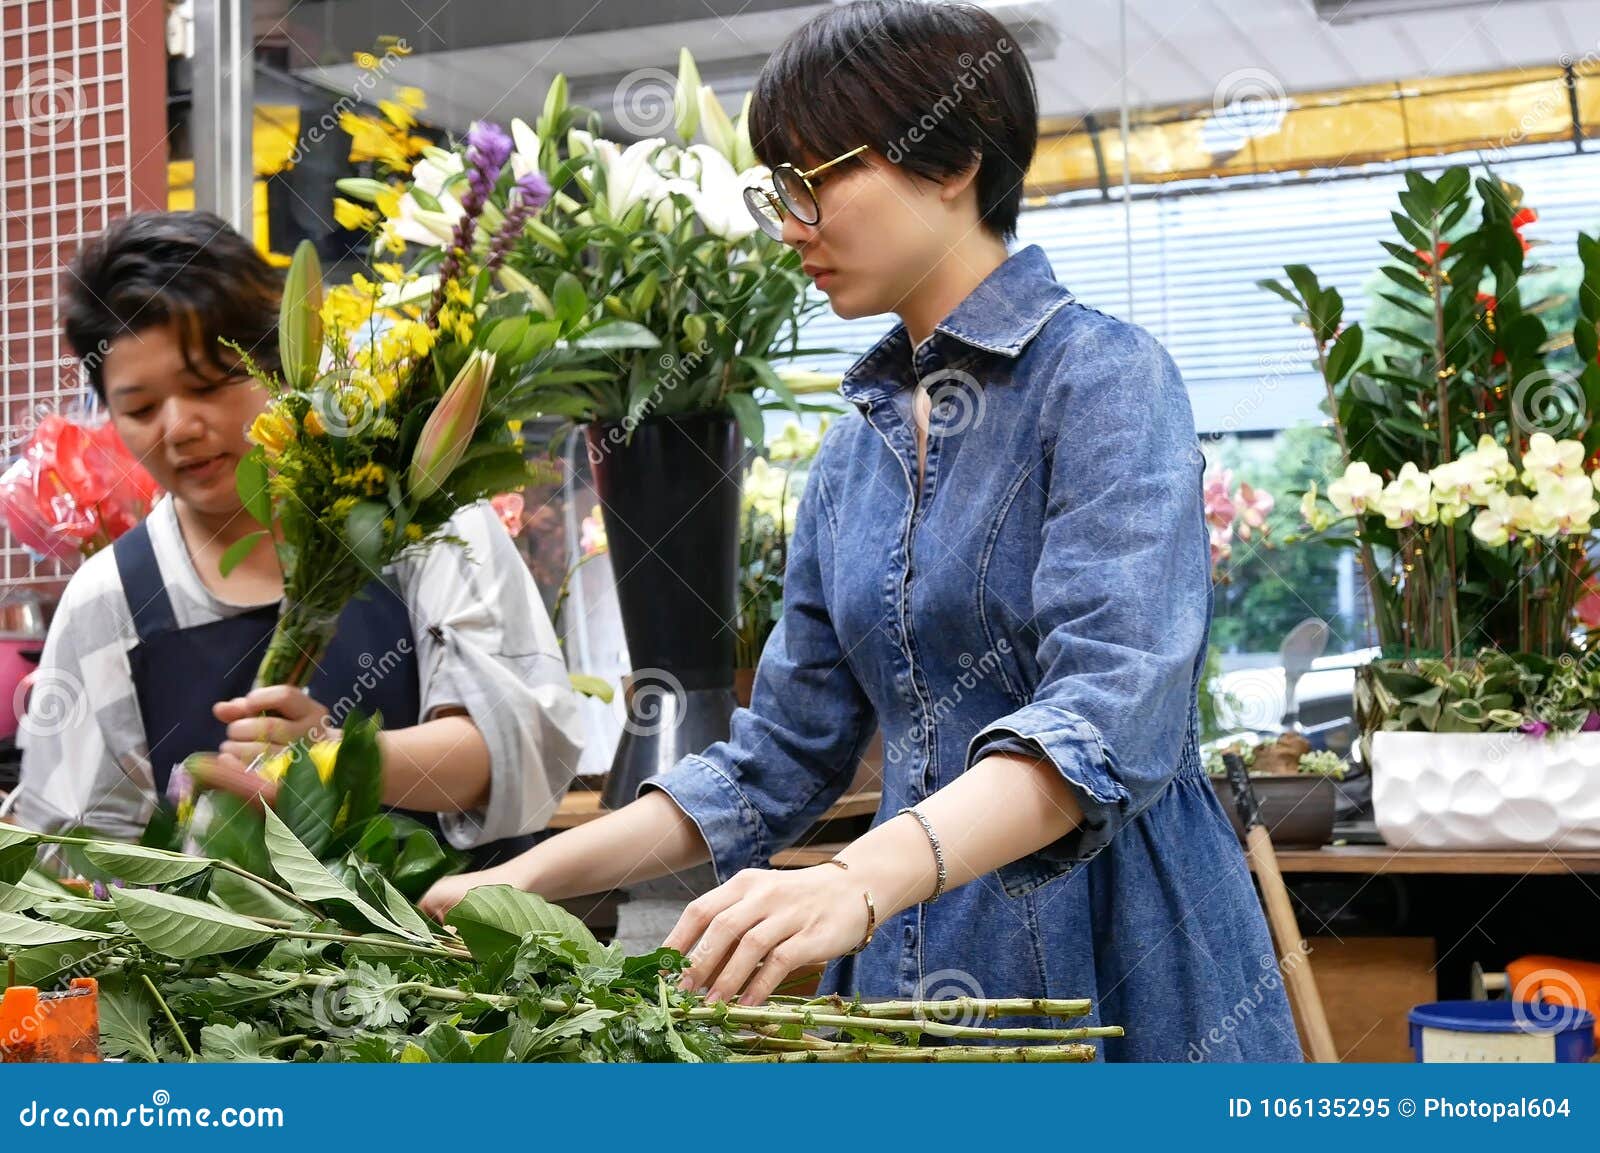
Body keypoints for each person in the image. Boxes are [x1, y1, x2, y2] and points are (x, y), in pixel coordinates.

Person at [421, 1, 1300, 1061]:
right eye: (776, 188)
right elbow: (778, 759)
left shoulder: (1106, 381)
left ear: (952, 163)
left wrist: (856, 876)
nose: (790, 222)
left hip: (1110, 947)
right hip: (902, 945)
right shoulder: (852, 456)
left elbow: (1106, 718)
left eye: (814, 178)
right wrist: (530, 872)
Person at [10, 211, 584, 868]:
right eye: (140, 409)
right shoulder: (110, 600)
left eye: (208, 384)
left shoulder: (422, 523)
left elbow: (524, 750)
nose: (180, 427)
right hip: (225, 968)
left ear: (280, 359)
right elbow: (74, 852)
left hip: (454, 950)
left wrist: (326, 756)